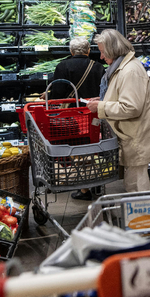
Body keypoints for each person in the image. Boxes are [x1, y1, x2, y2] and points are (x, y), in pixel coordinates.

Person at [86, 29, 150, 193]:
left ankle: (143, 216)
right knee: (133, 181)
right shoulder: (121, 67)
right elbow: (123, 96)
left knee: (137, 184)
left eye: (103, 52)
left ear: (113, 50)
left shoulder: (129, 71)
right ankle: (137, 215)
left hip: (137, 135)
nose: (101, 57)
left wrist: (101, 107)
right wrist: (102, 101)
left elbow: (131, 107)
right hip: (132, 134)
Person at [44, 38, 105, 201]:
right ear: (89, 51)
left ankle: (83, 187)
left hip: (71, 118)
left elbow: (57, 94)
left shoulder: (62, 66)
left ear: (71, 52)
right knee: (93, 145)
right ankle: (97, 180)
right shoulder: (98, 66)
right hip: (93, 116)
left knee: (76, 149)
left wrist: (49, 96)